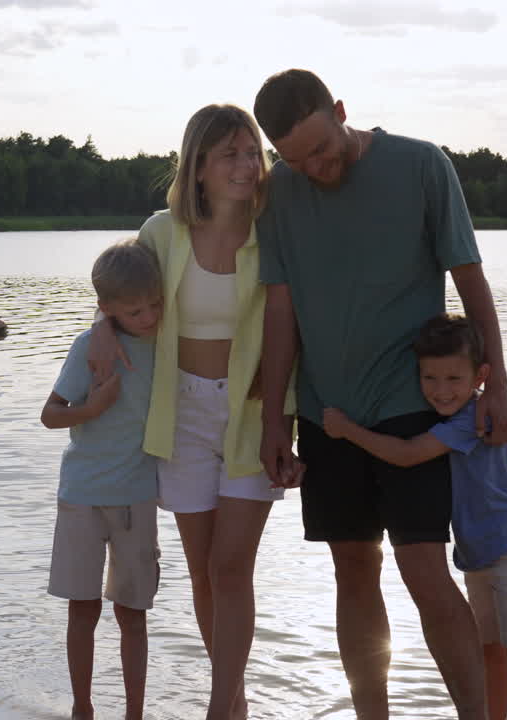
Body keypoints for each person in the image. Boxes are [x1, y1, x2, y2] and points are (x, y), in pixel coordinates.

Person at [253, 68, 507, 720]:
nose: (314, 168)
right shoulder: (278, 191)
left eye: (321, 149)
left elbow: (470, 279)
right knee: (352, 567)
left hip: (413, 405)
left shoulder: (422, 166)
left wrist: (498, 385)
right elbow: (280, 311)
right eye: (296, 159)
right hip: (326, 412)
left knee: (424, 569)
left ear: (341, 111)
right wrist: (274, 422)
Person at [88, 104, 299, 720]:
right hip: (179, 415)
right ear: (198, 166)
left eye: (252, 152)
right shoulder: (162, 232)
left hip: (253, 415)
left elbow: (290, 324)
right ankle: (235, 703)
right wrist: (101, 324)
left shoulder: (274, 228)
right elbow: (119, 292)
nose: (246, 165)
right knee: (204, 573)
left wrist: (283, 421)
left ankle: (216, 707)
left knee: (232, 568)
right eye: (230, 154)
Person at [323, 314, 507, 720]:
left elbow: (407, 455)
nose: (441, 391)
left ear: (481, 376)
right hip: (479, 554)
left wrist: (347, 430)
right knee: (490, 650)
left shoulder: (471, 419)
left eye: (453, 379)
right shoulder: (450, 416)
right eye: (430, 378)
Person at [40, 238, 165, 720]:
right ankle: (83, 709)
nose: (148, 317)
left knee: (133, 614)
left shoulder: (167, 344)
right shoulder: (89, 348)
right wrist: (92, 408)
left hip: (137, 497)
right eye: (135, 311)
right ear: (107, 308)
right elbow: (50, 414)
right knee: (83, 609)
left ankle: (135, 713)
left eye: (154, 305)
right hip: (82, 495)